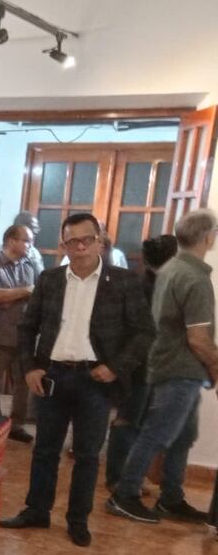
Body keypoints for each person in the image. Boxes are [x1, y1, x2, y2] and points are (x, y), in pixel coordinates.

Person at [0, 212, 154, 548]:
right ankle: (37, 510)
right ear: (63, 245)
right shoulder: (50, 280)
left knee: (86, 455)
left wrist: (116, 366)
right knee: (44, 450)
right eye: (73, 241)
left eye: (88, 239)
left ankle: (78, 520)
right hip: (52, 376)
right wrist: (29, 368)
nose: (81, 247)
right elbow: (27, 328)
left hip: (95, 380)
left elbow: (143, 333)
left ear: (99, 240)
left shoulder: (124, 281)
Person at [107, 210, 218, 524]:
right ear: (208, 237)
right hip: (180, 369)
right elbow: (198, 338)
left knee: (183, 436)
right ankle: (124, 495)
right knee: (156, 434)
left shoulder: (170, 268)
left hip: (169, 365)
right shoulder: (194, 277)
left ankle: (171, 497)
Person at [104, 233, 178, 490]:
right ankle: (116, 477)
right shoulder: (143, 287)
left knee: (138, 421)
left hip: (151, 365)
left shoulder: (159, 284)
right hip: (137, 365)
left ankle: (128, 475)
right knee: (128, 419)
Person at [0, 223, 40, 442]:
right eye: (26, 240)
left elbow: (38, 294)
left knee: (23, 385)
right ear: (11, 241)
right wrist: (25, 292)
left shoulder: (30, 266)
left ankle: (17, 424)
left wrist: (14, 296)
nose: (30, 245)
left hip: (24, 337)